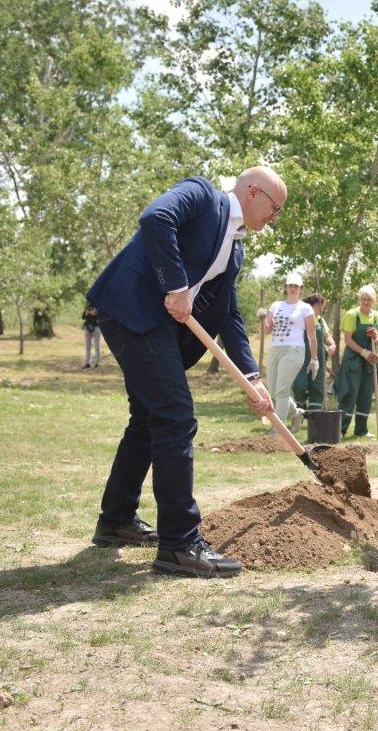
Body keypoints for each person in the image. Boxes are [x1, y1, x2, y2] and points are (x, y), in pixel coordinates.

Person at [85, 168, 284, 579]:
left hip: (154, 328)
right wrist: (175, 285)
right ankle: (179, 543)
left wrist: (251, 375)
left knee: (147, 419)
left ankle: (116, 519)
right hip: (130, 313)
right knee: (176, 414)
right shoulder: (202, 195)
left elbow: (228, 312)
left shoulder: (236, 248)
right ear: (252, 192)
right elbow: (156, 218)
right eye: (275, 208)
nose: (275, 218)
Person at [258, 272, 317, 431]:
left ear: (300, 289)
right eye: (290, 285)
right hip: (275, 348)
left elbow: (311, 335)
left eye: (296, 286)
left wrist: (314, 359)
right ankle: (296, 412)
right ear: (286, 287)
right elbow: (268, 330)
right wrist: (263, 318)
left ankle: (278, 430)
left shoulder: (306, 308)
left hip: (295, 349)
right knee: (273, 390)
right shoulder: (276, 305)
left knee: (282, 390)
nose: (293, 288)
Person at [336, 285, 378, 438]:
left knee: (365, 395)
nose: (366, 302)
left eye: (369, 300)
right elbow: (348, 339)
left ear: (374, 300)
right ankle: (340, 430)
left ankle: (361, 429)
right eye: (363, 299)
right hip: (353, 361)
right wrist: (364, 352)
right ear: (360, 299)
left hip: (370, 362)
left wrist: (376, 337)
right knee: (349, 394)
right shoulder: (352, 315)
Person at [292, 293, 335, 415]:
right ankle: (300, 411)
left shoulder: (321, 320)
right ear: (316, 305)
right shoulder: (301, 317)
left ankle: (314, 416)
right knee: (299, 385)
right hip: (301, 357)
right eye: (323, 306)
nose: (324, 309)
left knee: (317, 387)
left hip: (319, 359)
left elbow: (327, 336)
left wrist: (332, 345)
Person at [82, 303, 102, 369]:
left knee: (97, 345)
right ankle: (87, 362)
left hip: (96, 327)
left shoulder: (98, 306)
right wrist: (86, 313)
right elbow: (83, 317)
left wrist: (94, 313)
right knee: (88, 346)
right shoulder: (87, 307)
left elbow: (99, 316)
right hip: (87, 327)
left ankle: (97, 362)